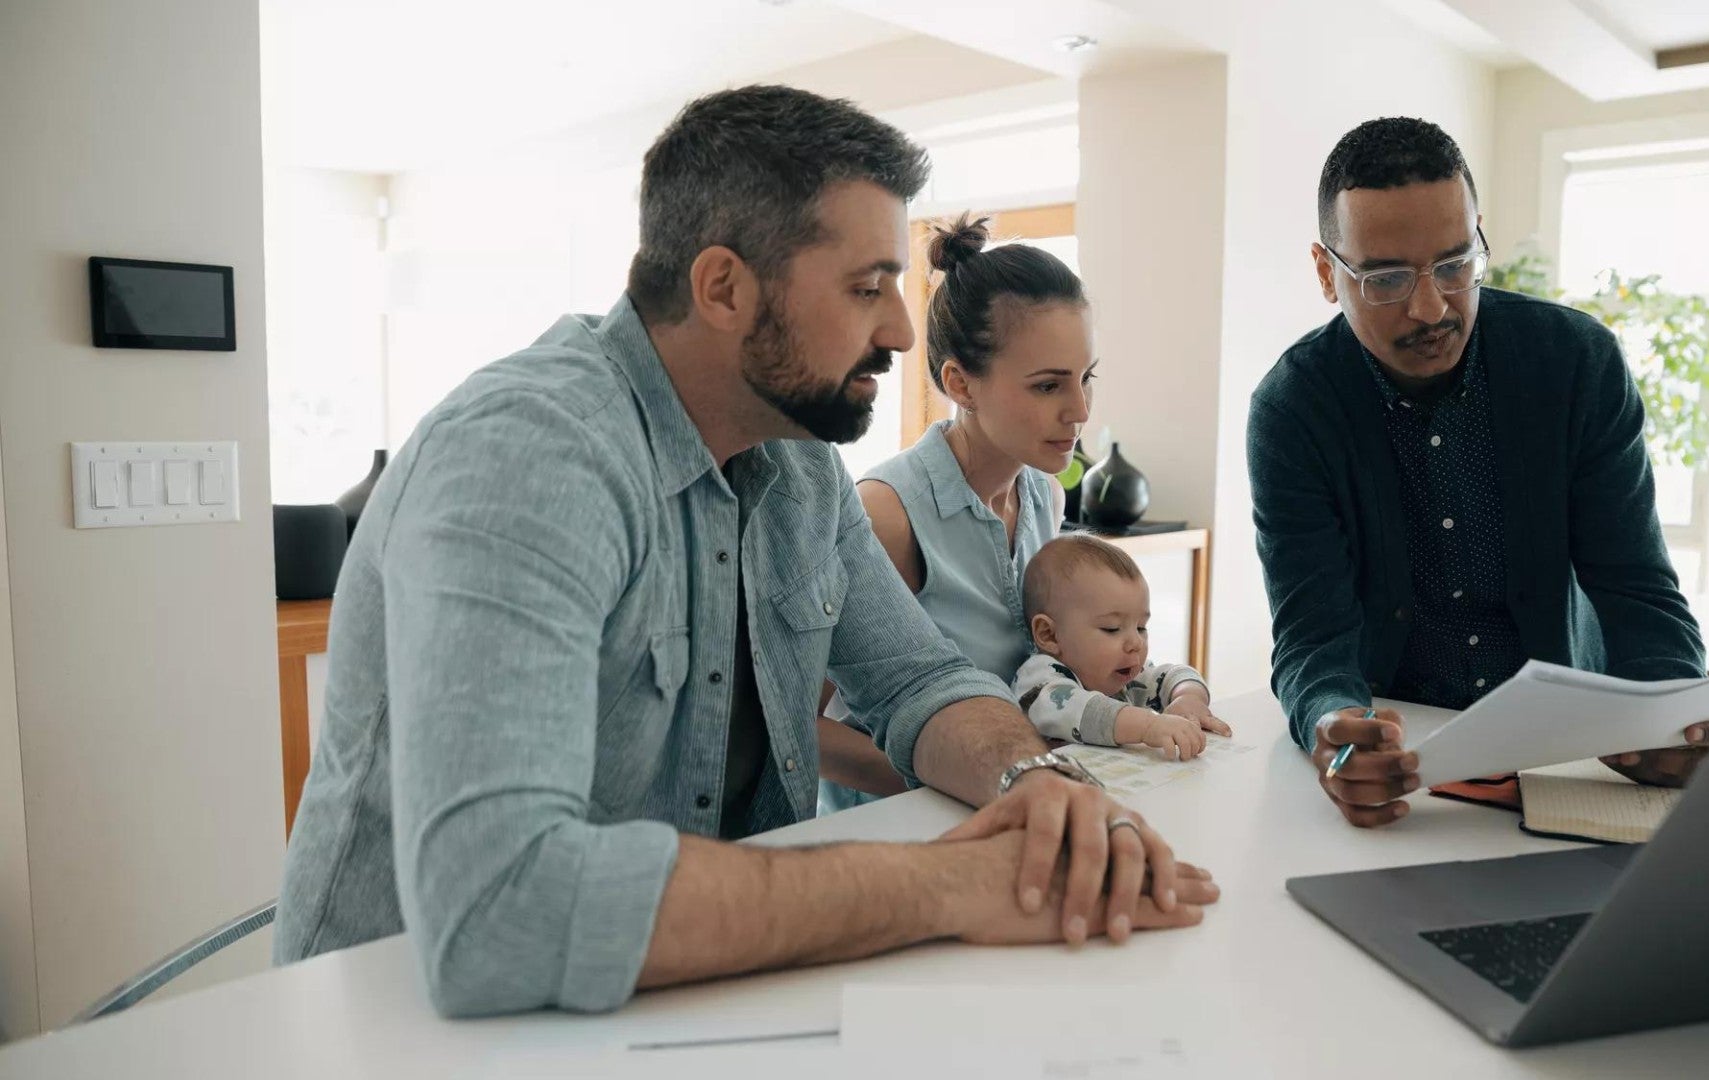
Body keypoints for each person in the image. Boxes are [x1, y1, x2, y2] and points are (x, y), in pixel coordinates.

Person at [274, 85, 1218, 1019]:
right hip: (413, 1030)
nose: (897, 330)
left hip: (696, 995)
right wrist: (946, 886)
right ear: (723, 287)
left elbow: (920, 681)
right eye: (866, 287)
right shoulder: (531, 455)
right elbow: (499, 908)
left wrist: (1037, 785)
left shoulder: (799, 468)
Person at [1246, 116, 1709, 829]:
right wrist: (1332, 726)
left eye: (1454, 263)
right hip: (1403, 761)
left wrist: (1670, 713)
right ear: (1327, 273)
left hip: (1571, 755)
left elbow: (1635, 586)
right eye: (1386, 278)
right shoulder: (1294, 410)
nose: (1431, 306)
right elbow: (1314, 633)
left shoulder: (1576, 365)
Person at [815, 214, 1091, 810]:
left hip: (1006, 804)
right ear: (961, 384)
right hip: (894, 833)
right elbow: (797, 729)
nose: (1080, 411)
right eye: (1048, 386)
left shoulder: (1046, 494)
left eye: (1085, 379)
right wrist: (977, 778)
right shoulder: (885, 516)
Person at [1011, 534, 1231, 761]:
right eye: (1112, 628)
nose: (1136, 642)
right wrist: (1149, 726)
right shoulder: (1040, 682)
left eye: (1141, 627)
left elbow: (1176, 674)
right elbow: (1088, 712)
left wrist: (1188, 698)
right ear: (1049, 635)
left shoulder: (1124, 673)